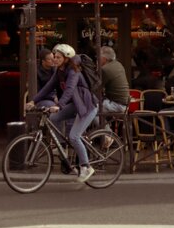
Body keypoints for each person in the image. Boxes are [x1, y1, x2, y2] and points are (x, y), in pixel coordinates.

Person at [28, 43, 97, 183]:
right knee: (53, 118)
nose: (55, 59)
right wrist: (33, 101)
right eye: (54, 56)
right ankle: (63, 149)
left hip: (87, 106)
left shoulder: (74, 71)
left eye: (58, 57)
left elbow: (70, 89)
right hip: (76, 105)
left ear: (66, 58)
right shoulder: (59, 71)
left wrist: (59, 105)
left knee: (74, 136)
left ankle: (86, 167)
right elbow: (48, 87)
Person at [100, 45, 130, 118]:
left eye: (98, 57)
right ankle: (104, 127)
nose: (97, 59)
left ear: (104, 59)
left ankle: (106, 129)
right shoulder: (119, 65)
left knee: (90, 110)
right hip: (125, 105)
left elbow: (97, 87)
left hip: (116, 105)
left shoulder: (105, 69)